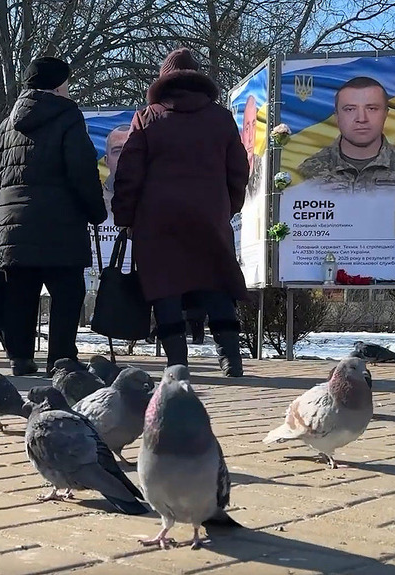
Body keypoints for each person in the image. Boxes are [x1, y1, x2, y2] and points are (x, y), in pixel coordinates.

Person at [113, 47, 249, 376]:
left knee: (166, 286)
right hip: (208, 215)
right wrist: (227, 206)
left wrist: (125, 216)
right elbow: (239, 169)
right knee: (216, 282)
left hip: (158, 219)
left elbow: (129, 172)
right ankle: (230, 358)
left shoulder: (147, 117)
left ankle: (177, 362)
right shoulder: (220, 118)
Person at [0, 56, 107, 377]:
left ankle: (20, 358)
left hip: (14, 226)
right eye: (66, 82)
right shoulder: (68, 116)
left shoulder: (6, 124)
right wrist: (96, 210)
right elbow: (82, 170)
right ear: (57, 84)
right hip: (60, 223)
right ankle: (61, 358)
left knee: (20, 293)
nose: (69, 88)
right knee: (67, 292)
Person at [298, 76, 395, 188]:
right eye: (350, 109)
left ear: (385, 114)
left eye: (372, 108)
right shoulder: (309, 171)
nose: (361, 119)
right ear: (337, 116)